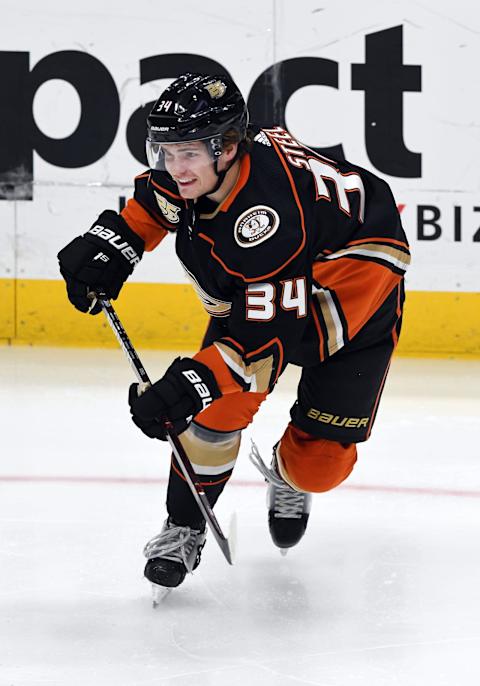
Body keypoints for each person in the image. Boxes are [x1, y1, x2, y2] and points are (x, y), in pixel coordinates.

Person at [57, 73, 410, 593]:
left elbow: (264, 345)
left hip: (351, 289)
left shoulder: (269, 223)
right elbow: (157, 203)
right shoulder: (207, 169)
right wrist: (116, 242)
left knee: (319, 466)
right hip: (274, 285)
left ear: (226, 148)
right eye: (167, 151)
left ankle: (289, 479)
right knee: (216, 410)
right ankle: (184, 526)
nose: (177, 168)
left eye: (189, 154)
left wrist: (184, 386)